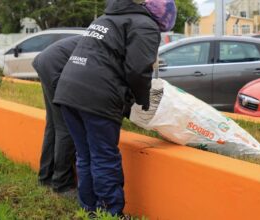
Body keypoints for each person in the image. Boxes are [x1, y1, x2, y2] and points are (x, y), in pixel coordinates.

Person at [53, 0, 177, 216]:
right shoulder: (144, 25)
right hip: (97, 94)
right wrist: (142, 98)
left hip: (68, 92)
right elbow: (138, 70)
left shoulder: (106, 18)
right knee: (104, 156)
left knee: (85, 155)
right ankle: (111, 213)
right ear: (162, 20)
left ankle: (88, 209)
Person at [32, 35, 81, 194]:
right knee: (66, 126)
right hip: (55, 65)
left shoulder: (105, 36)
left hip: (46, 60)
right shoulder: (116, 47)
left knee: (53, 125)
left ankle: (45, 177)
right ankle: (62, 185)